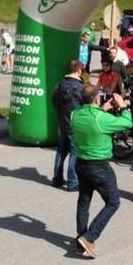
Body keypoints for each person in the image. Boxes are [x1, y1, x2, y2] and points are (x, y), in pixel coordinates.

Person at [71, 84, 133, 258]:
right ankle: (90, 236)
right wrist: (123, 106)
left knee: (84, 201)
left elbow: (92, 118)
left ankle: (80, 240)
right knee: (113, 202)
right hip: (98, 166)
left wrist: (102, 110)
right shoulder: (100, 118)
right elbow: (127, 123)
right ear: (96, 99)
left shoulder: (74, 114)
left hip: (81, 163)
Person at [52, 60, 85, 190]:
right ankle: (73, 182)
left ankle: (57, 178)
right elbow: (85, 103)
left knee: (61, 150)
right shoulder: (80, 86)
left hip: (62, 121)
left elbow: (54, 100)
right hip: (75, 123)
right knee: (74, 152)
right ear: (78, 70)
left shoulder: (60, 84)